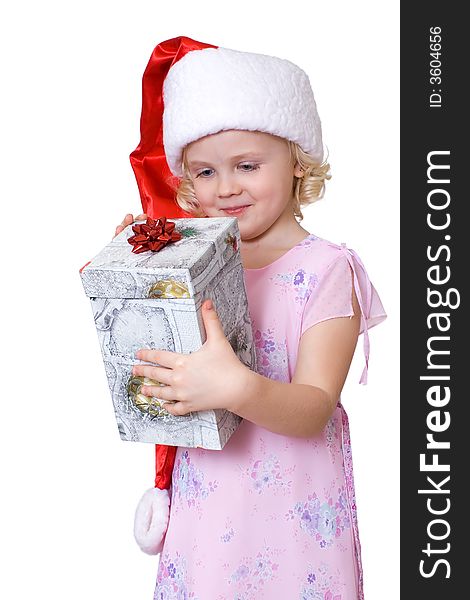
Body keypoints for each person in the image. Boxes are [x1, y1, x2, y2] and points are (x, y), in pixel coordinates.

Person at [116, 36, 386, 599]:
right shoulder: (196, 262)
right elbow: (150, 366)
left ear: (296, 161)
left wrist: (236, 387)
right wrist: (139, 270)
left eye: (246, 165)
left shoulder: (328, 268)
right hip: (208, 509)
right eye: (205, 173)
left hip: (292, 516)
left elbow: (314, 408)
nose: (227, 187)